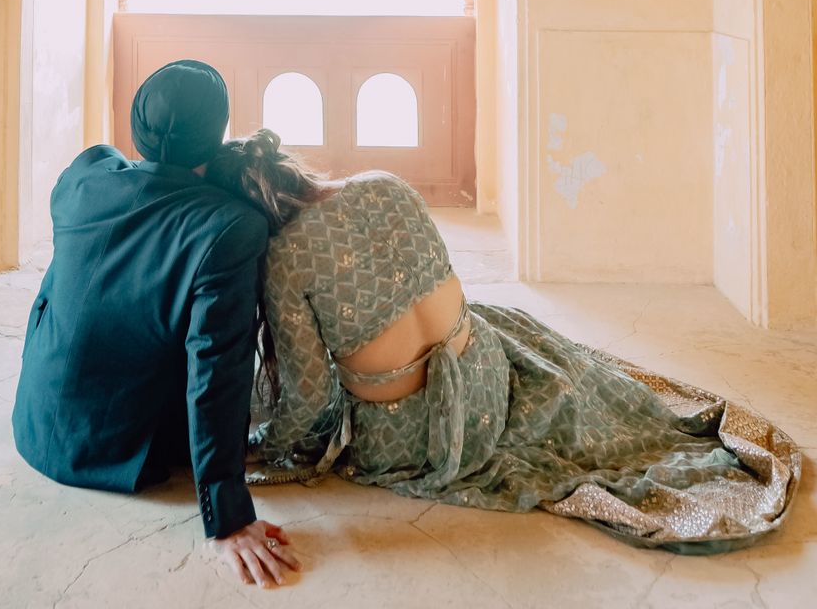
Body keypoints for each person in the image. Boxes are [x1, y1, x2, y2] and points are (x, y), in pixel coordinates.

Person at [207, 129, 802, 554]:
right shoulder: (382, 183)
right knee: (494, 316)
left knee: (286, 390)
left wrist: (262, 445)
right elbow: (429, 283)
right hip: (485, 378)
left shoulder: (283, 260)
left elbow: (310, 405)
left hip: (408, 439)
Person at [11, 61, 301, 587]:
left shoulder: (84, 175)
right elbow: (218, 367)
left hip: (35, 423)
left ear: (136, 119)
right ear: (217, 135)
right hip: (120, 449)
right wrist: (228, 516)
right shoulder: (230, 225)